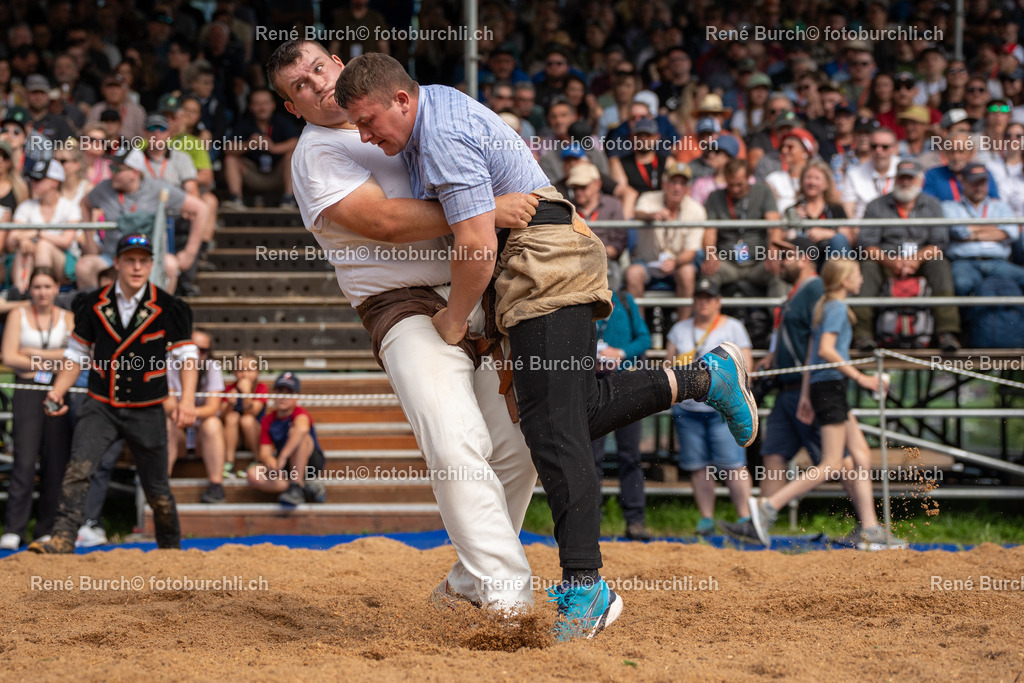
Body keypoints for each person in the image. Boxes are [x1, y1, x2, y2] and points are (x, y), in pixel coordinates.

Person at [335, 51, 757, 640]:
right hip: (543, 259)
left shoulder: (440, 136)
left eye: (367, 119)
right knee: (568, 415)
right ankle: (703, 378)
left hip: (541, 263)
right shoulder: (434, 118)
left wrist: (454, 321)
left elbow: (478, 243)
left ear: (402, 100)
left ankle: (587, 586)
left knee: (554, 430)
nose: (363, 133)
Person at [267, 39, 541, 615]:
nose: (316, 85)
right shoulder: (314, 155)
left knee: (519, 441)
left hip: (477, 285)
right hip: (402, 306)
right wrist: (484, 207)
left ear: (340, 65)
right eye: (300, 86)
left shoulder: (414, 115)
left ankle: (471, 579)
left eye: (319, 69)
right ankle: (505, 595)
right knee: (452, 433)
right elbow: (385, 222)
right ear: (293, 108)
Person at [28, 233, 197, 554]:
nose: (136, 267)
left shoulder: (170, 307)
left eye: (143, 260)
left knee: (157, 485)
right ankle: (63, 538)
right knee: (79, 469)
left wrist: (187, 400)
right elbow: (77, 355)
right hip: (101, 403)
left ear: (151, 264)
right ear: (116, 263)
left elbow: (187, 358)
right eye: (130, 260)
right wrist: (57, 392)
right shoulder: (91, 303)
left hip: (148, 407)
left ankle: (171, 546)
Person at [748, 258, 908, 551]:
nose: (862, 278)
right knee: (833, 462)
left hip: (824, 387)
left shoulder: (825, 307)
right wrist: (862, 378)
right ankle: (768, 506)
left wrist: (807, 394)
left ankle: (870, 528)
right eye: (858, 274)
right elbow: (825, 350)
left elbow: (812, 355)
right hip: (832, 386)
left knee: (860, 455)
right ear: (845, 281)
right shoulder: (835, 308)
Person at [666, 278, 755, 538]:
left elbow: (746, 365)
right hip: (687, 410)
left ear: (718, 302)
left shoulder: (734, 327)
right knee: (698, 466)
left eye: (709, 297)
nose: (704, 302)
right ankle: (706, 519)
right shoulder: (680, 329)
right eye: (700, 297)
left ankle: (745, 518)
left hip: (723, 411)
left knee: (733, 464)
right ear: (694, 301)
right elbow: (668, 364)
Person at [0, 267, 74, 550]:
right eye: (37, 287)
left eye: (47, 286)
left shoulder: (67, 318)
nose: (42, 292)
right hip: (27, 390)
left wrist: (33, 355)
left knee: (56, 460)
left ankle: (47, 527)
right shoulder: (17, 316)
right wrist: (49, 362)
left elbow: (75, 355)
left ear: (57, 288)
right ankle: (15, 528)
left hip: (58, 389)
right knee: (24, 459)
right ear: (30, 290)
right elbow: (8, 356)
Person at [853, 159, 961, 352]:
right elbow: (867, 244)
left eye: (910, 179)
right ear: (895, 179)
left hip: (922, 260)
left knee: (940, 263)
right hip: (885, 260)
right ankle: (863, 335)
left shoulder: (932, 205)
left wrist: (916, 259)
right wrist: (891, 262)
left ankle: (947, 333)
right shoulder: (876, 206)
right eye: (901, 178)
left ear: (919, 181)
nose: (905, 182)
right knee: (867, 266)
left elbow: (940, 241)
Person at [77, 146, 209, 292]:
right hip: (113, 257)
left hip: (149, 257)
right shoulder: (103, 189)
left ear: (134, 172)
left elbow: (201, 209)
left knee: (170, 265)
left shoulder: (158, 188)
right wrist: (90, 241)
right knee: (84, 266)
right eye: (110, 168)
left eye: (116, 169)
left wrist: (190, 252)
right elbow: (84, 204)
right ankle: (94, 312)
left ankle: (160, 313)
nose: (111, 173)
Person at [590, 287, 653, 541]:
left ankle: (635, 520)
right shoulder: (581, 300)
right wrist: (588, 358)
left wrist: (621, 353)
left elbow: (644, 339)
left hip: (626, 383)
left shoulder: (625, 301)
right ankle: (590, 521)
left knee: (631, 455)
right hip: (592, 386)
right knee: (590, 457)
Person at [628, 159, 705, 320]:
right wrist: (651, 216)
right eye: (673, 182)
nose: (677, 187)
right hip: (648, 262)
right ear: (664, 184)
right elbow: (637, 213)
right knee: (633, 273)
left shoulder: (697, 210)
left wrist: (675, 262)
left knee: (687, 272)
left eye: (682, 184)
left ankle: (681, 331)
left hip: (677, 263)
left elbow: (691, 252)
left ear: (688, 189)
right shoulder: (649, 198)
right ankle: (640, 329)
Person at [246, 372, 326, 506]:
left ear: (296, 397)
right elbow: (264, 452)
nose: (283, 397)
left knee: (297, 433)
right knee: (253, 474)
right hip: (286, 465)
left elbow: (302, 429)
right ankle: (302, 488)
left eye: (288, 393)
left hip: (309, 462)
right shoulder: (268, 420)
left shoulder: (300, 413)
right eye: (280, 392)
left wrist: (283, 455)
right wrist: (269, 460)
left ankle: (296, 484)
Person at [166, 328, 227, 503]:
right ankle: (161, 487)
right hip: (178, 432)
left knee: (213, 423)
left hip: (201, 436)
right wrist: (185, 414)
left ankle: (216, 486)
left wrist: (188, 412)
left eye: (203, 350)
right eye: (193, 348)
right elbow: (168, 405)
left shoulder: (212, 367)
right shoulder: (169, 365)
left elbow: (213, 407)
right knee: (166, 424)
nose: (198, 354)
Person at [7, 160, 80, 294]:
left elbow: (65, 242)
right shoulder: (26, 205)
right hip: (29, 260)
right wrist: (24, 240)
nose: (33, 182)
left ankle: (42, 289)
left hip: (62, 264)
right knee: (26, 246)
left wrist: (37, 233)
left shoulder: (70, 207)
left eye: (38, 179)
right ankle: (20, 292)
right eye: (32, 178)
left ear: (55, 182)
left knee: (43, 245)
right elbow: (10, 240)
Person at [223, 88, 300, 209]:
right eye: (257, 104)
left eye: (265, 103)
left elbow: (297, 141)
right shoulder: (245, 124)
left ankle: (288, 199)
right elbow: (228, 148)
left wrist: (273, 148)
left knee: (292, 155)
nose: (262, 108)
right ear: (251, 107)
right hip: (253, 176)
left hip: (278, 175)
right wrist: (248, 145)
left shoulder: (282, 121)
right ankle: (236, 200)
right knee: (230, 159)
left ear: (273, 105)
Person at [221, 350, 267, 478]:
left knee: (246, 419)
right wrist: (230, 403)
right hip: (235, 439)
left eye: (250, 370)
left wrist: (246, 393)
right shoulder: (230, 389)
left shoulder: (261, 388)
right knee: (232, 416)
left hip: (253, 437)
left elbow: (251, 412)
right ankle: (229, 462)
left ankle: (258, 460)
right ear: (234, 372)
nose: (245, 374)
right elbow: (222, 417)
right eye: (240, 370)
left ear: (257, 372)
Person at [841, 126, 899, 219]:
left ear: (895, 148)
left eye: (885, 147)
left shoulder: (905, 170)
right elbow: (848, 209)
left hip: (897, 227)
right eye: (874, 146)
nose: (878, 151)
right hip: (864, 227)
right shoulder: (854, 173)